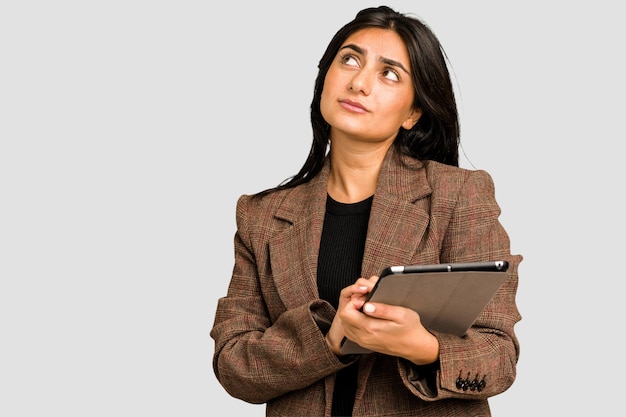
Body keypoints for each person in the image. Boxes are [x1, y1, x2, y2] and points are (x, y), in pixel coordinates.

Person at [211, 5, 522, 416]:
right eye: (350, 60)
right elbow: (234, 366)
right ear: (324, 79)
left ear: (413, 112)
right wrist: (331, 336)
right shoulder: (261, 215)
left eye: (389, 73)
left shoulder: (458, 195)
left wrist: (423, 348)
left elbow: (499, 358)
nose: (359, 83)